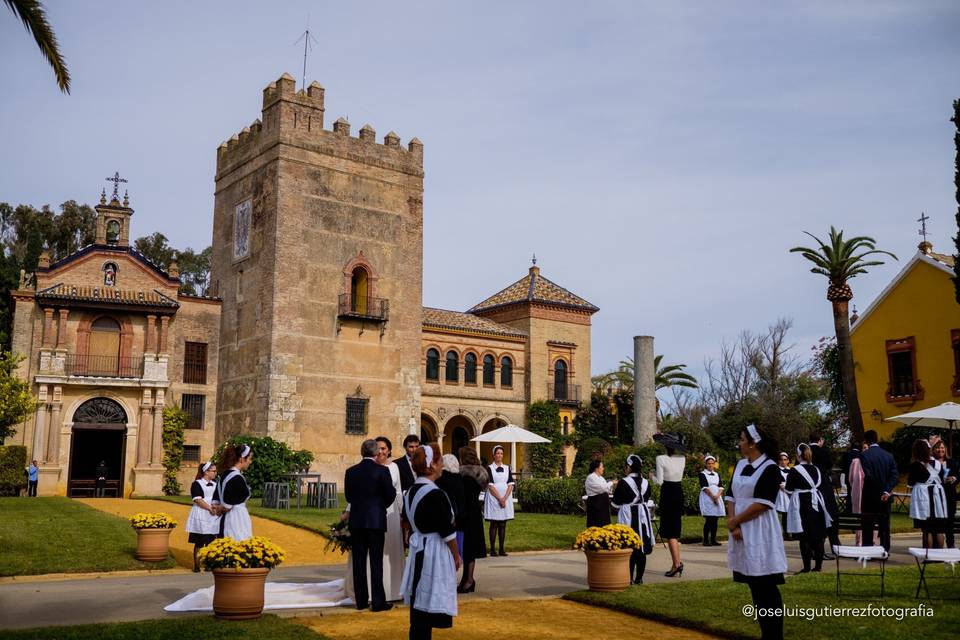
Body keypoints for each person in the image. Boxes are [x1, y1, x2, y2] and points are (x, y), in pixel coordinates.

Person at [725, 424, 787, 640]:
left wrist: (736, 521)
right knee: (754, 584)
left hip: (760, 530)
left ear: (753, 443)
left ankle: (774, 634)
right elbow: (731, 495)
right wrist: (734, 524)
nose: (740, 443)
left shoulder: (770, 468)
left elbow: (763, 503)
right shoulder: (741, 464)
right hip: (741, 530)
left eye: (742, 439)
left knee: (766, 585)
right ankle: (765, 633)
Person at [400, 443, 461, 640]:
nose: (443, 464)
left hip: (419, 550)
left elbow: (405, 522)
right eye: (440, 460)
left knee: (419, 601)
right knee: (427, 600)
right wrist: (456, 554)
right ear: (433, 465)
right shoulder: (435, 494)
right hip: (433, 552)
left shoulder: (410, 491)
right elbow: (447, 530)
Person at [344, 438, 397, 612]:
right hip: (375, 521)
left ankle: (361, 600)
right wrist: (380, 507)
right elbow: (390, 495)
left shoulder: (351, 471)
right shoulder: (382, 471)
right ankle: (378, 601)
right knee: (376, 562)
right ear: (376, 453)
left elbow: (349, 497)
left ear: (362, 452)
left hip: (357, 521)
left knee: (359, 561)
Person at [786, 444, 832, 573]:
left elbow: (789, 488)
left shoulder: (794, 470)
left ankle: (806, 567)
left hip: (802, 504)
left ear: (799, 455)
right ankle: (818, 566)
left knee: (804, 537)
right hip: (817, 503)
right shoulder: (816, 469)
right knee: (818, 536)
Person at [612, 454, 653, 584]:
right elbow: (647, 498)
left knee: (628, 547)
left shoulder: (623, 482)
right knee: (641, 547)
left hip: (628, 516)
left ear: (629, 467)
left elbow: (615, 503)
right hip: (643, 517)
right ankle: (639, 578)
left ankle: (628, 578)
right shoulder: (646, 482)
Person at [651, 432, 686, 577]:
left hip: (668, 493)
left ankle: (677, 564)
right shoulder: (682, 458)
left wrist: (651, 476)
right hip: (678, 491)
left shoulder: (660, 458)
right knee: (675, 530)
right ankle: (675, 563)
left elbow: (659, 481)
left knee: (670, 531)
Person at [859, 430, 898, 552]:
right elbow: (895, 476)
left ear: (866, 440)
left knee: (868, 526)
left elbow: (868, 476)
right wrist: (886, 491)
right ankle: (885, 550)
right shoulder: (888, 455)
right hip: (885, 497)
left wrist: (877, 491)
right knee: (885, 526)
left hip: (869, 496)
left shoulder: (864, 455)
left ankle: (867, 550)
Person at [457, 446, 488, 593]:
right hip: (474, 511)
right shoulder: (480, 473)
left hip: (465, 511)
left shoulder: (463, 475)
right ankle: (467, 579)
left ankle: (468, 580)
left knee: (468, 546)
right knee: (470, 546)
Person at [908, 438, 948, 549]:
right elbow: (941, 479)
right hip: (938, 498)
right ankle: (939, 556)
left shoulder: (916, 465)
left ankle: (928, 556)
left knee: (927, 530)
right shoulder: (938, 463)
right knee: (939, 529)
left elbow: (911, 482)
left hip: (924, 498)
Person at [808, 432, 840, 558]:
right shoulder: (823, 451)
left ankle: (812, 549)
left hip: (810, 487)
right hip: (824, 487)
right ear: (820, 440)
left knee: (814, 519)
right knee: (831, 515)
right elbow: (829, 465)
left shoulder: (805, 450)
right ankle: (835, 545)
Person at [186, 461, 221, 572]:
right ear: (206, 472)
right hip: (201, 513)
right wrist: (209, 508)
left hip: (213, 515)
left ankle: (209, 564)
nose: (215, 473)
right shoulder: (197, 484)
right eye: (213, 471)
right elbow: (197, 499)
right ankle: (197, 565)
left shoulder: (216, 484)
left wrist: (217, 508)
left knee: (211, 540)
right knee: (199, 541)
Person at [217, 444, 254, 540]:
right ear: (242, 459)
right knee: (237, 544)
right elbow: (228, 505)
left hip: (225, 518)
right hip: (235, 519)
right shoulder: (236, 478)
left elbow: (218, 498)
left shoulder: (225, 474)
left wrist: (219, 507)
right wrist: (223, 508)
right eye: (249, 458)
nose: (250, 462)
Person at [484, 445, 514, 557]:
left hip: (505, 499)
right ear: (494, 455)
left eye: (501, 453)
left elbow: (511, 484)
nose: (499, 455)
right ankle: (492, 550)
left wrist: (505, 498)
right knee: (494, 523)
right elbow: (490, 485)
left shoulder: (507, 468)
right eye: (497, 453)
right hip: (493, 498)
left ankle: (501, 549)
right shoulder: (489, 468)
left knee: (503, 524)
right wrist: (499, 498)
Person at [436, 454, 467, 564]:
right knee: (457, 553)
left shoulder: (440, 479)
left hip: (448, 519)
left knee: (446, 554)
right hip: (461, 519)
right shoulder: (460, 479)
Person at [931, 437, 958, 548]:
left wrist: (954, 478)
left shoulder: (952, 462)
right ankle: (937, 546)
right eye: (937, 448)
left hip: (949, 495)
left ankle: (951, 546)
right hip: (936, 496)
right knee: (937, 522)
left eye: (942, 448)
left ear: (945, 449)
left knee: (949, 523)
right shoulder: (931, 463)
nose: (940, 450)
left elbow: (958, 475)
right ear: (933, 450)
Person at [698, 454, 724, 546]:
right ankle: (705, 540)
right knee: (709, 519)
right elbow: (704, 487)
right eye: (709, 463)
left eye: (712, 463)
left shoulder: (717, 474)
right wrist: (713, 497)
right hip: (707, 497)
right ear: (706, 464)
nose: (710, 465)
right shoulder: (702, 474)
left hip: (717, 497)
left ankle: (713, 539)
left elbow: (721, 486)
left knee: (715, 519)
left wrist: (717, 495)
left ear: (714, 464)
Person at [584, 459, 614, 528]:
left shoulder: (601, 478)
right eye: (602, 467)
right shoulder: (591, 477)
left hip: (603, 503)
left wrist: (609, 486)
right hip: (596, 503)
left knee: (604, 521)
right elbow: (602, 488)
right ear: (597, 468)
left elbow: (607, 489)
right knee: (597, 521)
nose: (603, 469)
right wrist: (611, 483)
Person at [775, 453, 791, 538]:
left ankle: (791, 532)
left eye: (785, 460)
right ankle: (783, 533)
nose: (783, 462)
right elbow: (779, 483)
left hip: (790, 494)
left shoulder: (791, 470)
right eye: (781, 460)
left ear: (788, 461)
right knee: (782, 513)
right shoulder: (776, 470)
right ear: (779, 461)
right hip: (780, 494)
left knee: (789, 514)